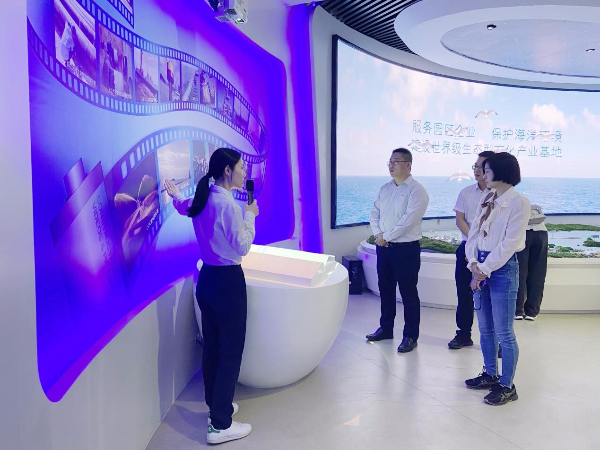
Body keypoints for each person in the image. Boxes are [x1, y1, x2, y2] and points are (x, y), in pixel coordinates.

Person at [165, 148, 258, 444]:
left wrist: (174, 195)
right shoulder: (228, 205)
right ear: (227, 171)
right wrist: (250, 216)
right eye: (241, 167)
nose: (244, 172)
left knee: (213, 348)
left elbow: (184, 206)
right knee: (230, 351)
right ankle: (220, 425)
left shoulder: (202, 197)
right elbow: (242, 246)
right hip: (228, 282)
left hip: (207, 279)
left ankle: (216, 407)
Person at [464, 152, 530, 406]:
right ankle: (490, 374)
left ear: (502, 172)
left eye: (487, 169)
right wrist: (473, 262)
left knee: (504, 331)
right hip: (480, 265)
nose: (483, 173)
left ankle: (507, 385)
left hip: (501, 269)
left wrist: (483, 269)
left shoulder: (519, 202)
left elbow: (509, 244)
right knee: (485, 328)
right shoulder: (487, 197)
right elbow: (473, 234)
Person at [366, 148, 429, 353]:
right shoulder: (385, 188)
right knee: (385, 289)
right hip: (384, 248)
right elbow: (374, 213)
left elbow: (409, 221)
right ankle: (386, 328)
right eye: (390, 162)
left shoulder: (417, 191)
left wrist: (386, 236)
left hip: (406, 249)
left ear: (408, 165)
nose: (391, 165)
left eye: (396, 161)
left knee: (408, 292)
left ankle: (410, 335)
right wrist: (378, 235)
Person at [448, 151, 495, 350]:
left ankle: (496, 340)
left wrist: (480, 243)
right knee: (464, 292)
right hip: (466, 249)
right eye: (475, 166)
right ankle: (463, 334)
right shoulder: (466, 192)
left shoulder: (499, 194)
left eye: (481, 167)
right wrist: (473, 242)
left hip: (491, 252)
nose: (476, 170)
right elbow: (459, 219)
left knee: (493, 296)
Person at [515, 204, 548, 320]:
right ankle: (532, 312)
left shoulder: (509, 200)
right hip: (541, 232)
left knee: (519, 272)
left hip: (521, 233)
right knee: (538, 273)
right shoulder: (529, 203)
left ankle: (517, 311)